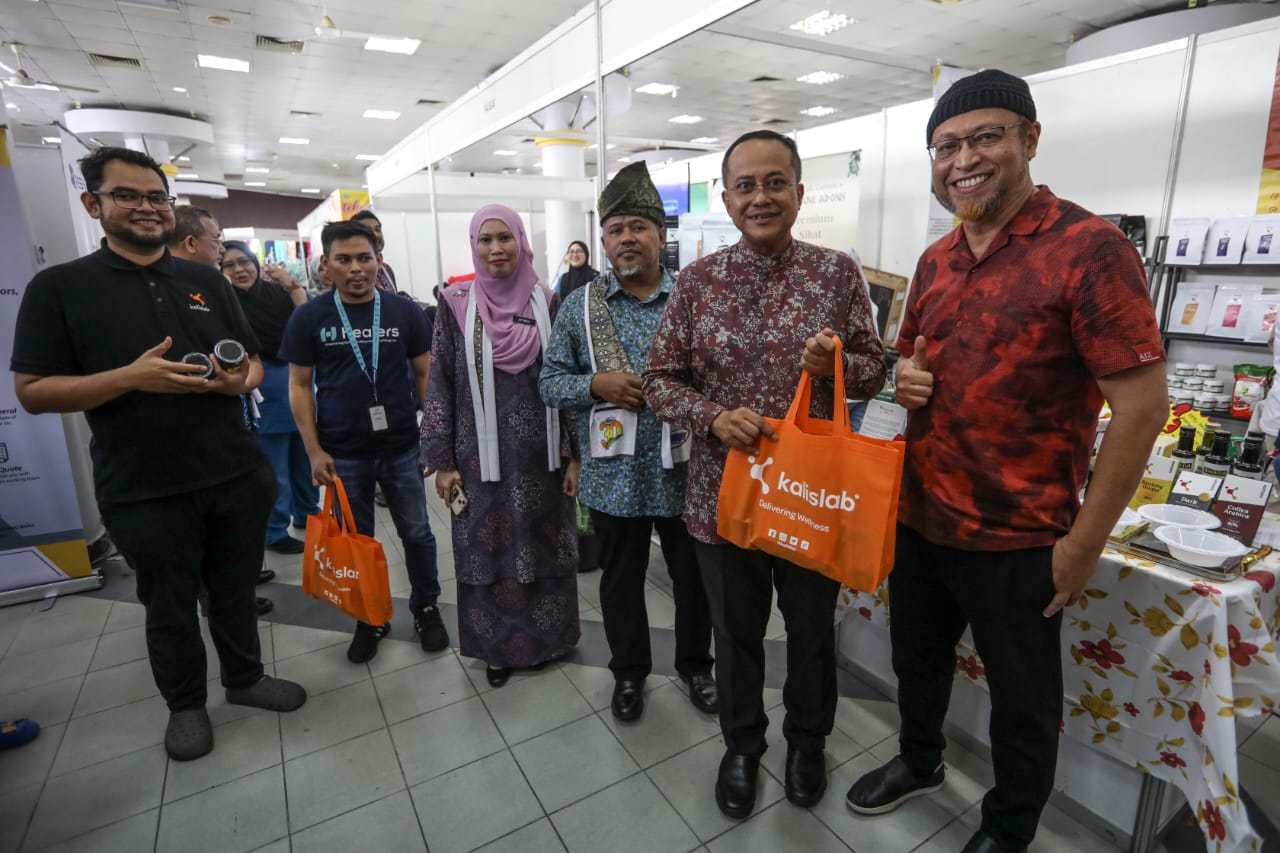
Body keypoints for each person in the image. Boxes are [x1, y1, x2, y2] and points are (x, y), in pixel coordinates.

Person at [843, 71, 1168, 853]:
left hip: (1020, 537)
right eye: (945, 146)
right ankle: (919, 760)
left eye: (984, 137)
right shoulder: (937, 258)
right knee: (918, 665)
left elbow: (1142, 407)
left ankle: (1010, 827)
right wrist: (904, 376)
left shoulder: (1091, 249)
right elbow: (909, 360)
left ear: (1029, 139)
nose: (963, 159)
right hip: (922, 518)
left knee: (1023, 703)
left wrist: (1082, 545)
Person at [12, 146, 306, 763]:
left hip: (233, 470)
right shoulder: (60, 288)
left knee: (233, 589)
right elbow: (33, 391)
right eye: (127, 195)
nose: (146, 208)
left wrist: (236, 382)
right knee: (168, 603)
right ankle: (186, 705)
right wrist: (129, 378)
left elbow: (253, 365)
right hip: (143, 484)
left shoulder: (206, 280)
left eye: (156, 197)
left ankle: (245, 678)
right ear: (92, 203)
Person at [644, 130, 886, 818]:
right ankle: (743, 745)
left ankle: (808, 741)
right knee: (736, 634)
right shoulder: (696, 283)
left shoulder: (836, 274)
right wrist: (713, 417)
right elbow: (658, 380)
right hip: (724, 495)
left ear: (799, 193)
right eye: (745, 185)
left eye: (775, 182)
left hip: (810, 493)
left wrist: (835, 364)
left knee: (811, 632)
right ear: (726, 199)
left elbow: (875, 368)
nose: (761, 197)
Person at [540, 161, 716, 723]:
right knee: (619, 583)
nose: (626, 238)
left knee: (693, 580)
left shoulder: (693, 297)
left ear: (661, 236)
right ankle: (629, 673)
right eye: (615, 229)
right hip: (613, 477)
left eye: (638, 227)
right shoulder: (580, 305)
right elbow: (549, 382)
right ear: (603, 241)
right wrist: (597, 384)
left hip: (686, 472)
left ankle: (696, 666)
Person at [422, 205, 581, 688]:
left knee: (545, 544)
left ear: (521, 242)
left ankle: (549, 640)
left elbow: (566, 378)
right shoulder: (455, 304)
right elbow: (440, 381)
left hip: (542, 459)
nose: (496, 249)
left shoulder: (548, 302)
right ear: (474, 246)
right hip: (477, 460)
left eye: (505, 238)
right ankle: (495, 650)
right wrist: (443, 461)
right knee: (485, 549)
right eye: (485, 240)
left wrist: (574, 454)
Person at [281, 220, 448, 662]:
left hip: (402, 447)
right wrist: (313, 451)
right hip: (342, 454)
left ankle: (426, 607)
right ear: (326, 265)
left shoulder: (404, 311)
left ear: (378, 260)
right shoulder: (309, 317)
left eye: (364, 258)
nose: (356, 268)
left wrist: (432, 436)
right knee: (356, 541)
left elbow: (425, 374)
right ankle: (368, 617)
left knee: (418, 533)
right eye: (344, 259)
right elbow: (299, 385)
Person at [168, 212, 277, 612]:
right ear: (191, 242)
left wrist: (237, 383)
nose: (221, 252)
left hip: (231, 439)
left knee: (232, 533)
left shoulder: (215, 288)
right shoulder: (142, 294)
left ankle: (233, 590)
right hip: (174, 453)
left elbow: (251, 360)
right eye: (217, 242)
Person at [221, 241, 319, 556]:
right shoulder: (225, 304)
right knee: (274, 466)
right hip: (264, 388)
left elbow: (308, 319)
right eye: (229, 265)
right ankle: (275, 531)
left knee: (305, 456)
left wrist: (290, 285)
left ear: (255, 263)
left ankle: (309, 514)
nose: (239, 270)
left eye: (244, 262)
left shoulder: (277, 293)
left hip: (298, 380)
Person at [350, 209, 397, 292]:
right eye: (368, 230)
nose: (375, 234)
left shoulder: (387, 269)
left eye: (377, 229)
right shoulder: (352, 271)